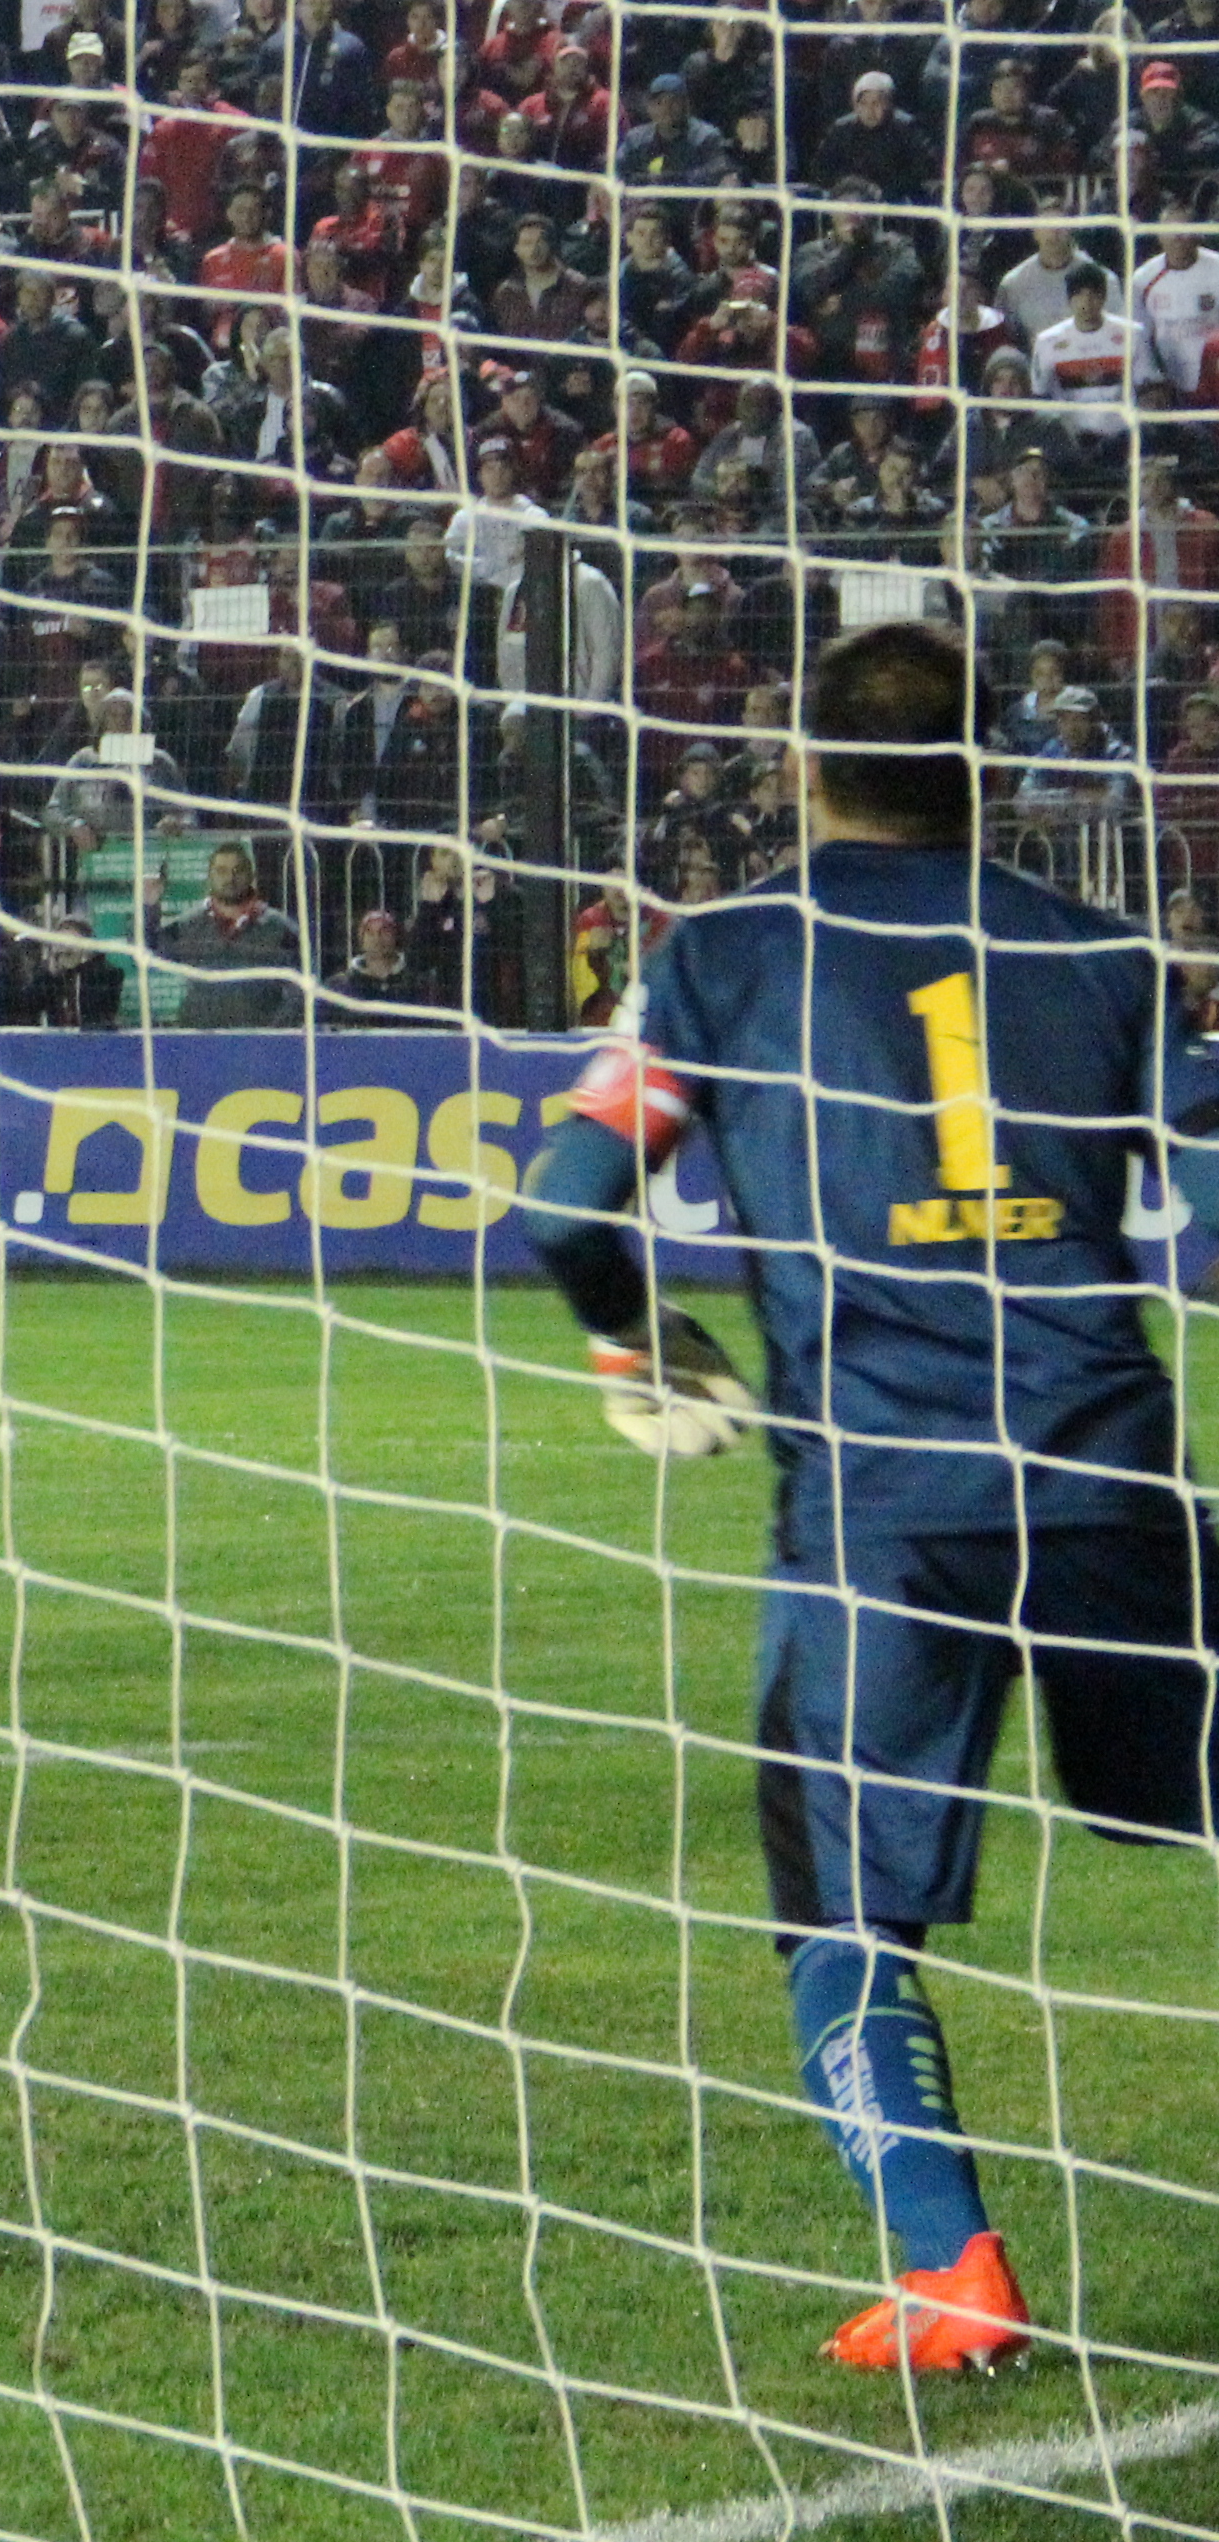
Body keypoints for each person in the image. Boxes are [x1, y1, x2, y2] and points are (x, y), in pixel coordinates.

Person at [522, 621, 1219, 2379]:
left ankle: (948, 2265)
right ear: (983, 768)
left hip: (878, 1507)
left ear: (793, 766)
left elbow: (559, 1205)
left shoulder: (724, 956)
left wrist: (631, 1344)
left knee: (839, 1912)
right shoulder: (1101, 950)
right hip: (1103, 1467)